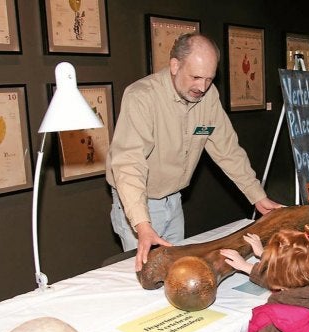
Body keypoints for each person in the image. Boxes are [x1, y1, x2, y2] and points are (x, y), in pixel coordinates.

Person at [106, 33, 282, 272]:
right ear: (175, 66)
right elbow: (128, 163)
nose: (202, 87)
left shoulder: (208, 97)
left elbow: (227, 150)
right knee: (147, 278)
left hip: (174, 200)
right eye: (196, 77)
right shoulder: (142, 97)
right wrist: (142, 225)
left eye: (209, 79)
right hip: (139, 204)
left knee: (178, 273)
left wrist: (258, 197)